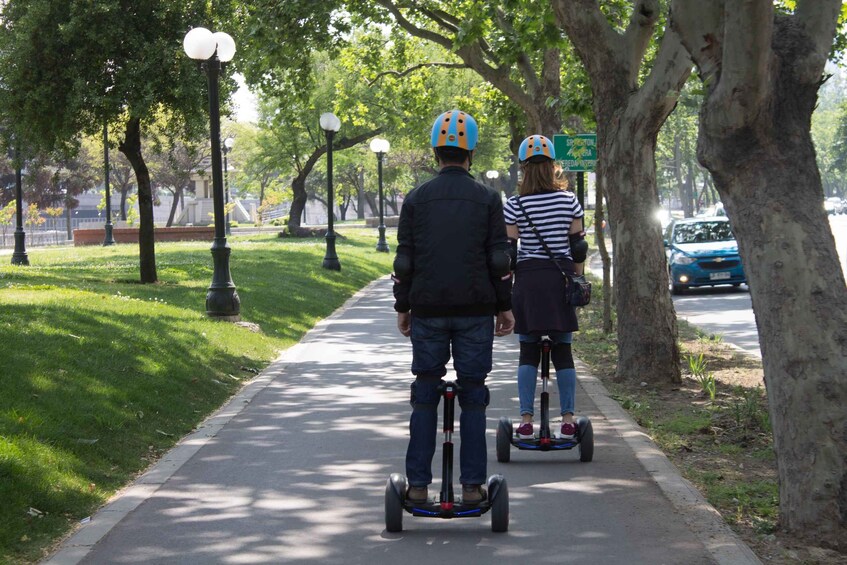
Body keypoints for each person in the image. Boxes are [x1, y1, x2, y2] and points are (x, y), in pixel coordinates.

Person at [392, 109, 515, 505]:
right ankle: (473, 487)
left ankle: (416, 486)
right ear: (471, 153)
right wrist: (504, 307)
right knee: (474, 393)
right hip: (476, 310)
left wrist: (403, 306)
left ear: (435, 151)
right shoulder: (487, 198)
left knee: (425, 392)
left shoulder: (416, 199)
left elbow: (405, 262)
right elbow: (499, 261)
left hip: (427, 309)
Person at [502, 134, 586, 440]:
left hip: (529, 280)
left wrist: (508, 292)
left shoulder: (514, 204)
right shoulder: (569, 200)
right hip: (561, 278)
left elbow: (509, 255)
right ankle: (567, 419)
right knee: (563, 351)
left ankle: (525, 419)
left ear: (524, 168)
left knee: (528, 351)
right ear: (553, 166)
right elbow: (578, 248)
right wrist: (576, 279)